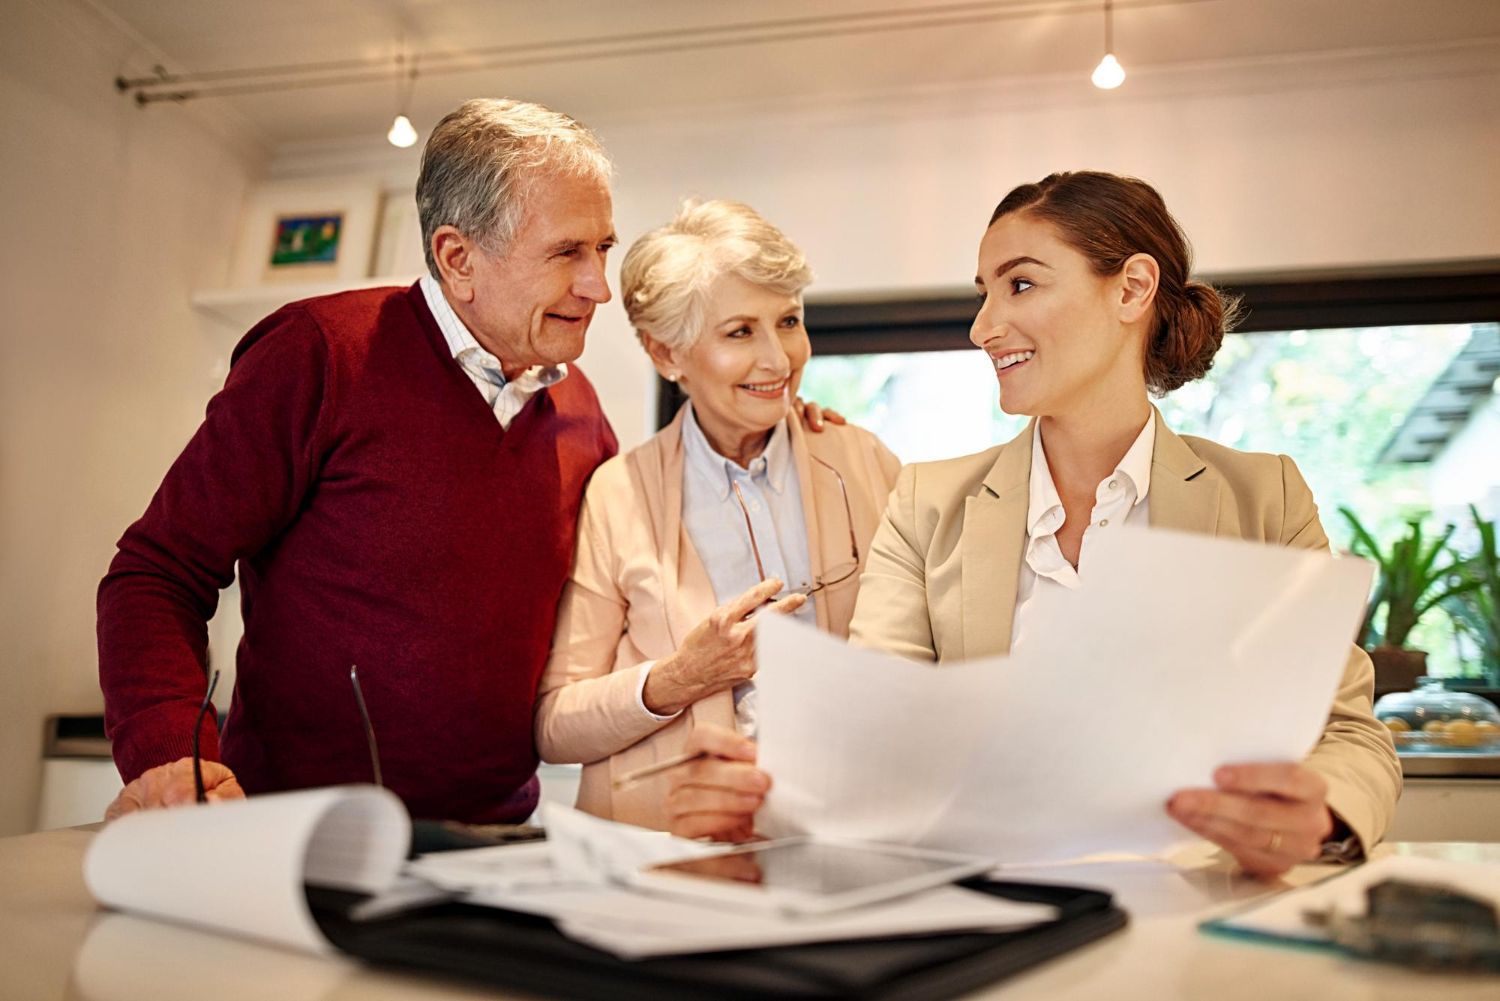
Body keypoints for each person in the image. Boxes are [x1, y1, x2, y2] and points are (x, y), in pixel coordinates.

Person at [662, 172, 1403, 876]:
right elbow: (881, 745)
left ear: (1133, 289)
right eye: (983, 294)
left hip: (1192, 916)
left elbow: (1348, 731)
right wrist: (772, 791)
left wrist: (1322, 818)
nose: (984, 325)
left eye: (1020, 284)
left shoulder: (1263, 497)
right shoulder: (927, 503)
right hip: (990, 919)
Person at [97, 98, 621, 823]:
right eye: (569, 252)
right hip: (292, 834)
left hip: (497, 844)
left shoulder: (583, 412)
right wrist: (167, 752)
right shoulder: (318, 354)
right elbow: (156, 572)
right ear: (458, 258)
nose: (600, 285)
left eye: (604, 249)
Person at [533, 199, 901, 831]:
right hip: (672, 845)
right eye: (739, 333)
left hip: (854, 829)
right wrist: (677, 679)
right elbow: (554, 724)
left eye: (788, 321)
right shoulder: (617, 493)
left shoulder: (861, 460)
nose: (779, 360)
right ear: (665, 354)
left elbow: (939, 658)